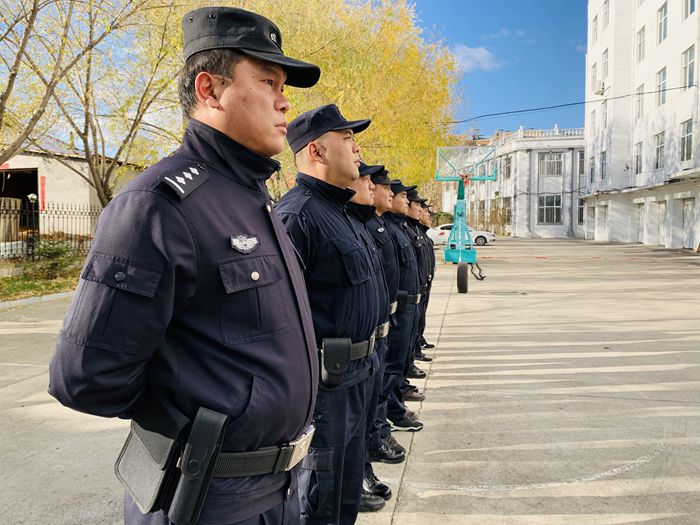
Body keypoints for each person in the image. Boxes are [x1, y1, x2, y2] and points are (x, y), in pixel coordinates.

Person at [48, 7, 321, 525]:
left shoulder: (251, 199)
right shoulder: (160, 204)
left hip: (276, 491)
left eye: (283, 87)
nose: (284, 101)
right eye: (268, 81)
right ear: (210, 89)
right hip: (206, 500)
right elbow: (85, 377)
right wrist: (188, 423)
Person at [275, 104, 382, 525]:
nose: (357, 149)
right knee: (320, 502)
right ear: (316, 152)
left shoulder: (340, 212)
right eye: (347, 139)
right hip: (326, 390)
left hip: (358, 377)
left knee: (345, 497)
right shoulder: (297, 215)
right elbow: (278, 320)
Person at [346, 163, 393, 513]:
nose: (378, 188)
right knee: (333, 450)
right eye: (368, 180)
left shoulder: (356, 224)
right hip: (338, 362)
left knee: (361, 425)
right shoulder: (302, 215)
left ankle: (360, 475)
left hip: (372, 344)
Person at [382, 180, 424, 432]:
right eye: (404, 197)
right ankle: (390, 415)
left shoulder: (401, 228)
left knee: (397, 363)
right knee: (390, 367)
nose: (409, 203)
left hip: (408, 304)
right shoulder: (385, 228)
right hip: (396, 309)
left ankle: (394, 407)